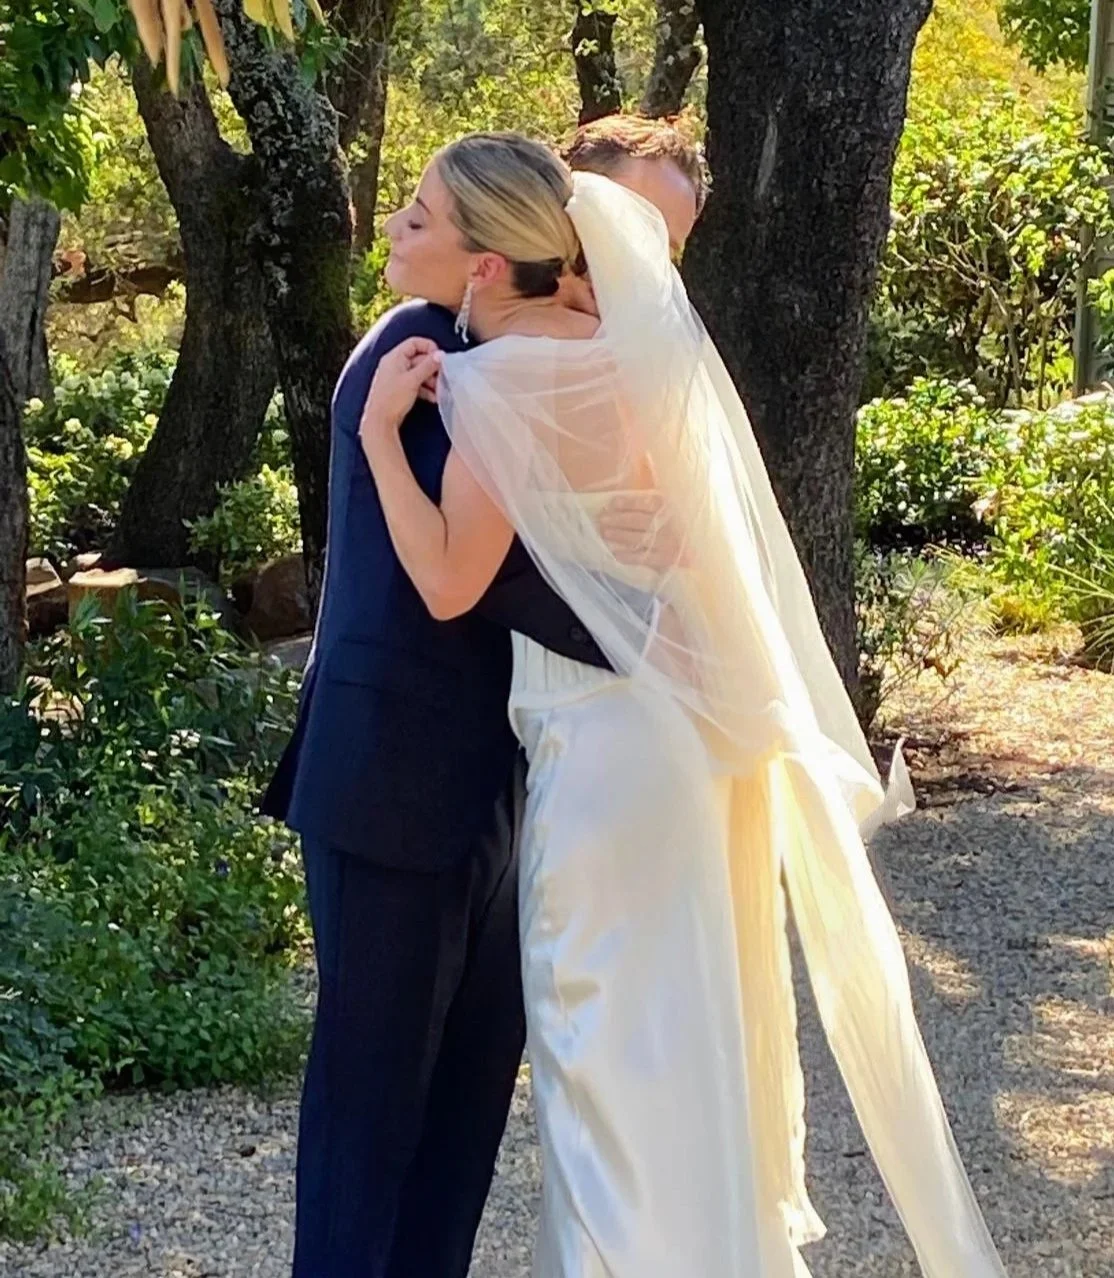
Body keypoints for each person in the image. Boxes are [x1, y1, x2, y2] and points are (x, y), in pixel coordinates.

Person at [360, 132, 1009, 1277]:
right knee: (692, 1045)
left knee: (596, 1049)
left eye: (419, 215)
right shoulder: (630, 362)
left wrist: (377, 439)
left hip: (602, 751)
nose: (400, 228)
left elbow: (453, 578)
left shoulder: (494, 381)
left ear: (479, 265)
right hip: (690, 741)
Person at [261, 117, 708, 1277]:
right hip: (393, 779)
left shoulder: (535, 362)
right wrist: (650, 631)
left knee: (462, 1113)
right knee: (370, 1109)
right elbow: (485, 577)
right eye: (625, 229)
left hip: (513, 784)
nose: (631, 265)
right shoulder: (428, 355)